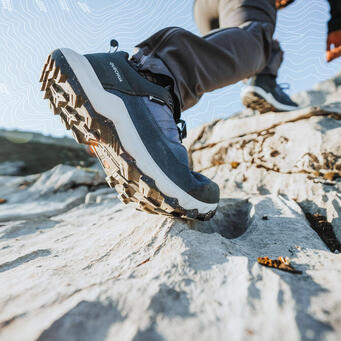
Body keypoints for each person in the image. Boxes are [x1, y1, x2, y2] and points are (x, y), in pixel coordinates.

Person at [40, 0, 341, 220]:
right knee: (257, 40)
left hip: (207, 9)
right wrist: (337, 22)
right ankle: (149, 80)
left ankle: (257, 84)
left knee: (253, 50)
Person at [193, 0, 341, 112]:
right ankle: (262, 81)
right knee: (257, 43)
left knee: (235, 59)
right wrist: (337, 21)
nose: (280, 5)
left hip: (203, 11)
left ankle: (175, 92)